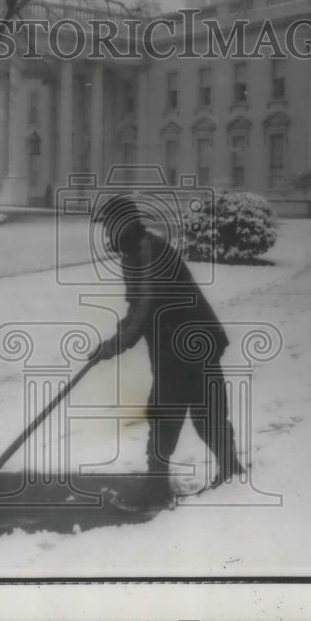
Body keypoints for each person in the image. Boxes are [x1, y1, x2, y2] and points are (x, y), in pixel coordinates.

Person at [90, 194, 245, 509]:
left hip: (191, 342)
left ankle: (163, 486)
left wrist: (115, 345)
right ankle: (225, 471)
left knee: (187, 413)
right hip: (172, 345)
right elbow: (137, 306)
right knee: (190, 411)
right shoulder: (133, 255)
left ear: (123, 226)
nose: (107, 235)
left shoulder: (152, 252)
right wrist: (123, 328)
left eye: (109, 227)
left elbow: (146, 308)